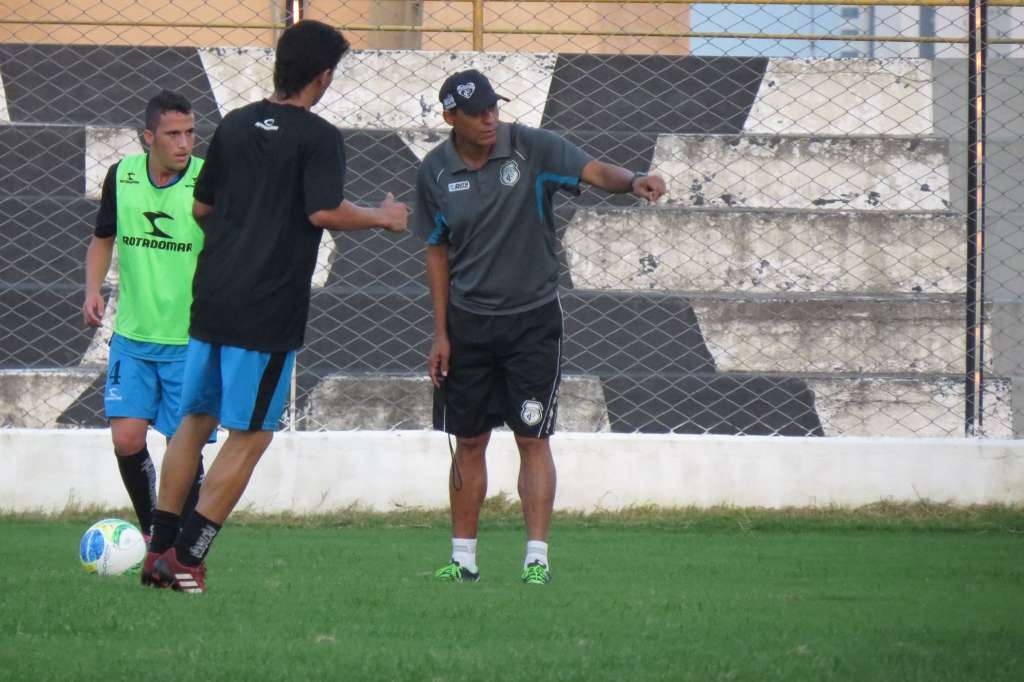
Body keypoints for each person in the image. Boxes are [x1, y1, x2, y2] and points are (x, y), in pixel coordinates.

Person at [141, 20, 408, 593]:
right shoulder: (318, 136)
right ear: (323, 75)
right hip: (265, 307)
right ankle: (186, 557)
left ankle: (157, 548)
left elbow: (201, 209)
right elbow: (323, 212)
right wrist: (382, 218)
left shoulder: (234, 125)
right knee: (253, 433)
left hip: (212, 297)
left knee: (194, 422)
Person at [414, 69, 666, 585]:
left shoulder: (533, 149)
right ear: (449, 118)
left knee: (532, 437)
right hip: (467, 325)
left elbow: (595, 171)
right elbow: (435, 250)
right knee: (469, 440)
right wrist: (441, 333)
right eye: (477, 112)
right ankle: (463, 560)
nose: (489, 118)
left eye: (493, 108)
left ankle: (536, 560)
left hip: (531, 323)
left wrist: (633, 181)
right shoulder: (435, 172)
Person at [83, 90, 208, 541]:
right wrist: (93, 290)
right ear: (148, 137)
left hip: (189, 342)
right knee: (127, 440)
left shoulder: (208, 181)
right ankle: (155, 533)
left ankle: (180, 545)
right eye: (173, 134)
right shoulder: (123, 176)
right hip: (132, 337)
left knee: (184, 449)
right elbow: (103, 236)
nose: (184, 143)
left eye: (190, 133)